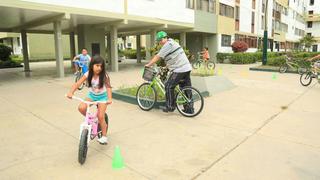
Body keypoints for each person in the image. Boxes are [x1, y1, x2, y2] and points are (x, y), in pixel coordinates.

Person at [67, 55, 112, 144]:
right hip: (92, 95)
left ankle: (104, 136)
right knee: (81, 107)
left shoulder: (104, 76)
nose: (99, 68)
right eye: (97, 66)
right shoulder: (88, 74)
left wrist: (109, 98)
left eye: (101, 66)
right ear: (92, 65)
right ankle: (92, 120)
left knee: (101, 116)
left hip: (103, 97)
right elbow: (78, 83)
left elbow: (108, 87)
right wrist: (71, 92)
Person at [145, 31, 193, 113]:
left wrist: (148, 64)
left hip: (179, 69)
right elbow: (174, 57)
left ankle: (170, 106)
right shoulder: (172, 43)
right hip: (186, 68)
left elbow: (158, 57)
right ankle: (189, 109)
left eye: (160, 40)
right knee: (185, 88)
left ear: (165, 38)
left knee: (168, 86)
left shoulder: (167, 45)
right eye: (158, 41)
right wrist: (166, 67)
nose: (159, 42)